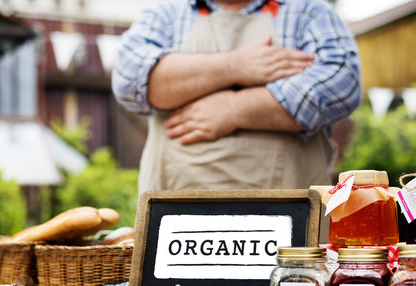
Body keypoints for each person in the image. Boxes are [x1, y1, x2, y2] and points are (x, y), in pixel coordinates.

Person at [111, 0, 361, 194]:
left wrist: (233, 108)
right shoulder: (165, 13)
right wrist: (235, 65)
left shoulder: (310, 12)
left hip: (290, 237)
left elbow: (342, 81)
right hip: (176, 235)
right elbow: (129, 79)